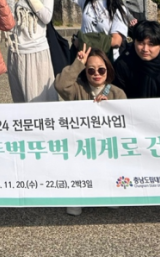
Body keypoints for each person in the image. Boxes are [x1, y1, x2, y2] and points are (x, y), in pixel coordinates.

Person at [56, 45, 127, 219]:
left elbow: (126, 122)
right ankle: (76, 198)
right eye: (91, 70)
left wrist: (109, 107)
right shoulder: (78, 89)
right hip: (81, 143)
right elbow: (60, 85)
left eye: (101, 70)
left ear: (108, 71)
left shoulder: (117, 93)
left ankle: (109, 192)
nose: (96, 73)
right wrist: (77, 64)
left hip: (107, 144)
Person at [61, 0, 129, 60]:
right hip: (83, 57)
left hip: (105, 58)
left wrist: (82, 40)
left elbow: (116, 41)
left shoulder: (117, 7)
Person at [113, 20, 160, 98]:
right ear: (134, 41)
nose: (145, 49)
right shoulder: (123, 62)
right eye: (141, 43)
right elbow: (113, 89)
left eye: (151, 44)